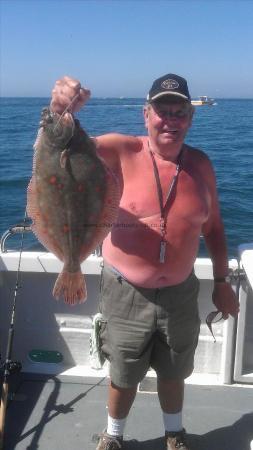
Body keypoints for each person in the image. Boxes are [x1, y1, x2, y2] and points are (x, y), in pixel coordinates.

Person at [50, 74, 239, 450]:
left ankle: (174, 434)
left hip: (181, 294)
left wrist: (220, 281)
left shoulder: (201, 165)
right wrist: (59, 112)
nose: (170, 119)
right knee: (122, 373)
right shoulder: (120, 149)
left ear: (190, 118)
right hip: (125, 292)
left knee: (174, 371)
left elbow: (215, 228)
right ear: (145, 114)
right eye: (161, 111)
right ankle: (113, 436)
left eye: (179, 111)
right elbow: (65, 151)